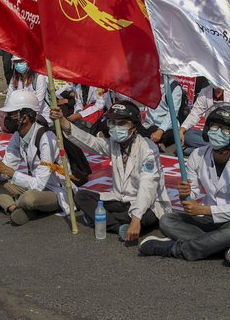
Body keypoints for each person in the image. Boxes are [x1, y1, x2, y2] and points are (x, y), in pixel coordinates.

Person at [138, 103, 230, 266]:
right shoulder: (197, 155)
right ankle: (223, 246)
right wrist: (185, 195)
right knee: (167, 220)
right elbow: (192, 198)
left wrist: (203, 209)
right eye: (215, 126)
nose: (217, 132)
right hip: (210, 221)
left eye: (226, 130)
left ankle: (177, 249)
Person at [51, 102, 170, 242]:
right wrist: (63, 121)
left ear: (134, 125)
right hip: (120, 200)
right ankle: (119, 226)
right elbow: (91, 142)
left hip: (147, 203)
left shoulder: (148, 149)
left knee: (145, 216)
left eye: (122, 123)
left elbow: (147, 186)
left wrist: (137, 218)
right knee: (81, 196)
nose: (116, 127)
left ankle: (109, 220)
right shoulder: (113, 143)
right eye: (112, 122)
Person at [0, 91, 68, 225]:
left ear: (25, 117)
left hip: (53, 190)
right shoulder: (18, 135)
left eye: (11, 114)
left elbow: (39, 184)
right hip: (31, 185)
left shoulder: (46, 138)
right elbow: (8, 166)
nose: (7, 118)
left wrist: (7, 171)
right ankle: (14, 208)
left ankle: (15, 203)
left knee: (28, 199)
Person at [179, 84, 230, 155]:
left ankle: (195, 151)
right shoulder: (205, 92)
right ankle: (219, 150)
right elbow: (195, 113)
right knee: (187, 135)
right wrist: (182, 129)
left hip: (226, 134)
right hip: (211, 132)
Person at [4, 56, 49, 124]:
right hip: (18, 113)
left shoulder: (39, 77)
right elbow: (8, 97)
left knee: (35, 118)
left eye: (21, 61)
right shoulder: (14, 79)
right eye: (16, 62)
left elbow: (38, 103)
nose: (18, 64)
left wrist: (22, 115)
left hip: (38, 114)